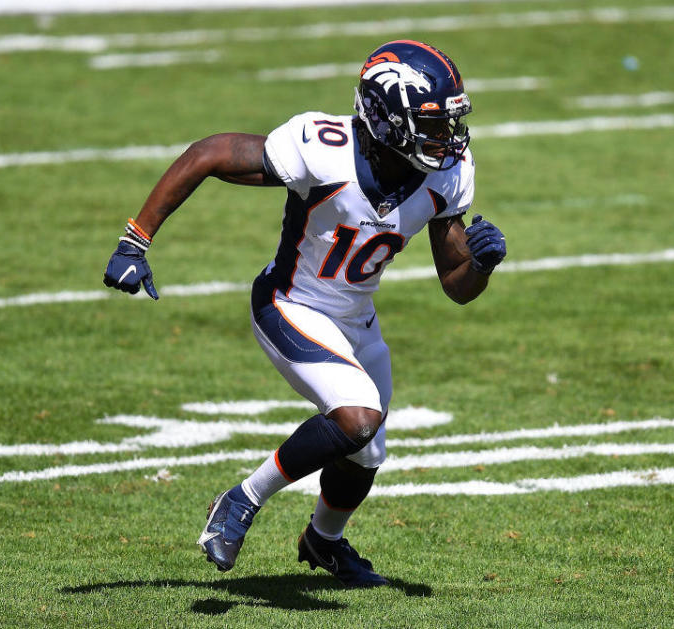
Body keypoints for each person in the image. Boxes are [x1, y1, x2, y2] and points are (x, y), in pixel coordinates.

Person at [103, 40, 506, 588]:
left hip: (356, 320)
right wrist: (135, 241)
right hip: (290, 304)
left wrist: (479, 263)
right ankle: (241, 499)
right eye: (431, 124)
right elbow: (209, 154)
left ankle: (324, 541)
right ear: (386, 120)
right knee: (358, 417)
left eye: (449, 123)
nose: (447, 138)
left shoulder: (447, 174)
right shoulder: (324, 146)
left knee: (365, 455)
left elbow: (456, 287)